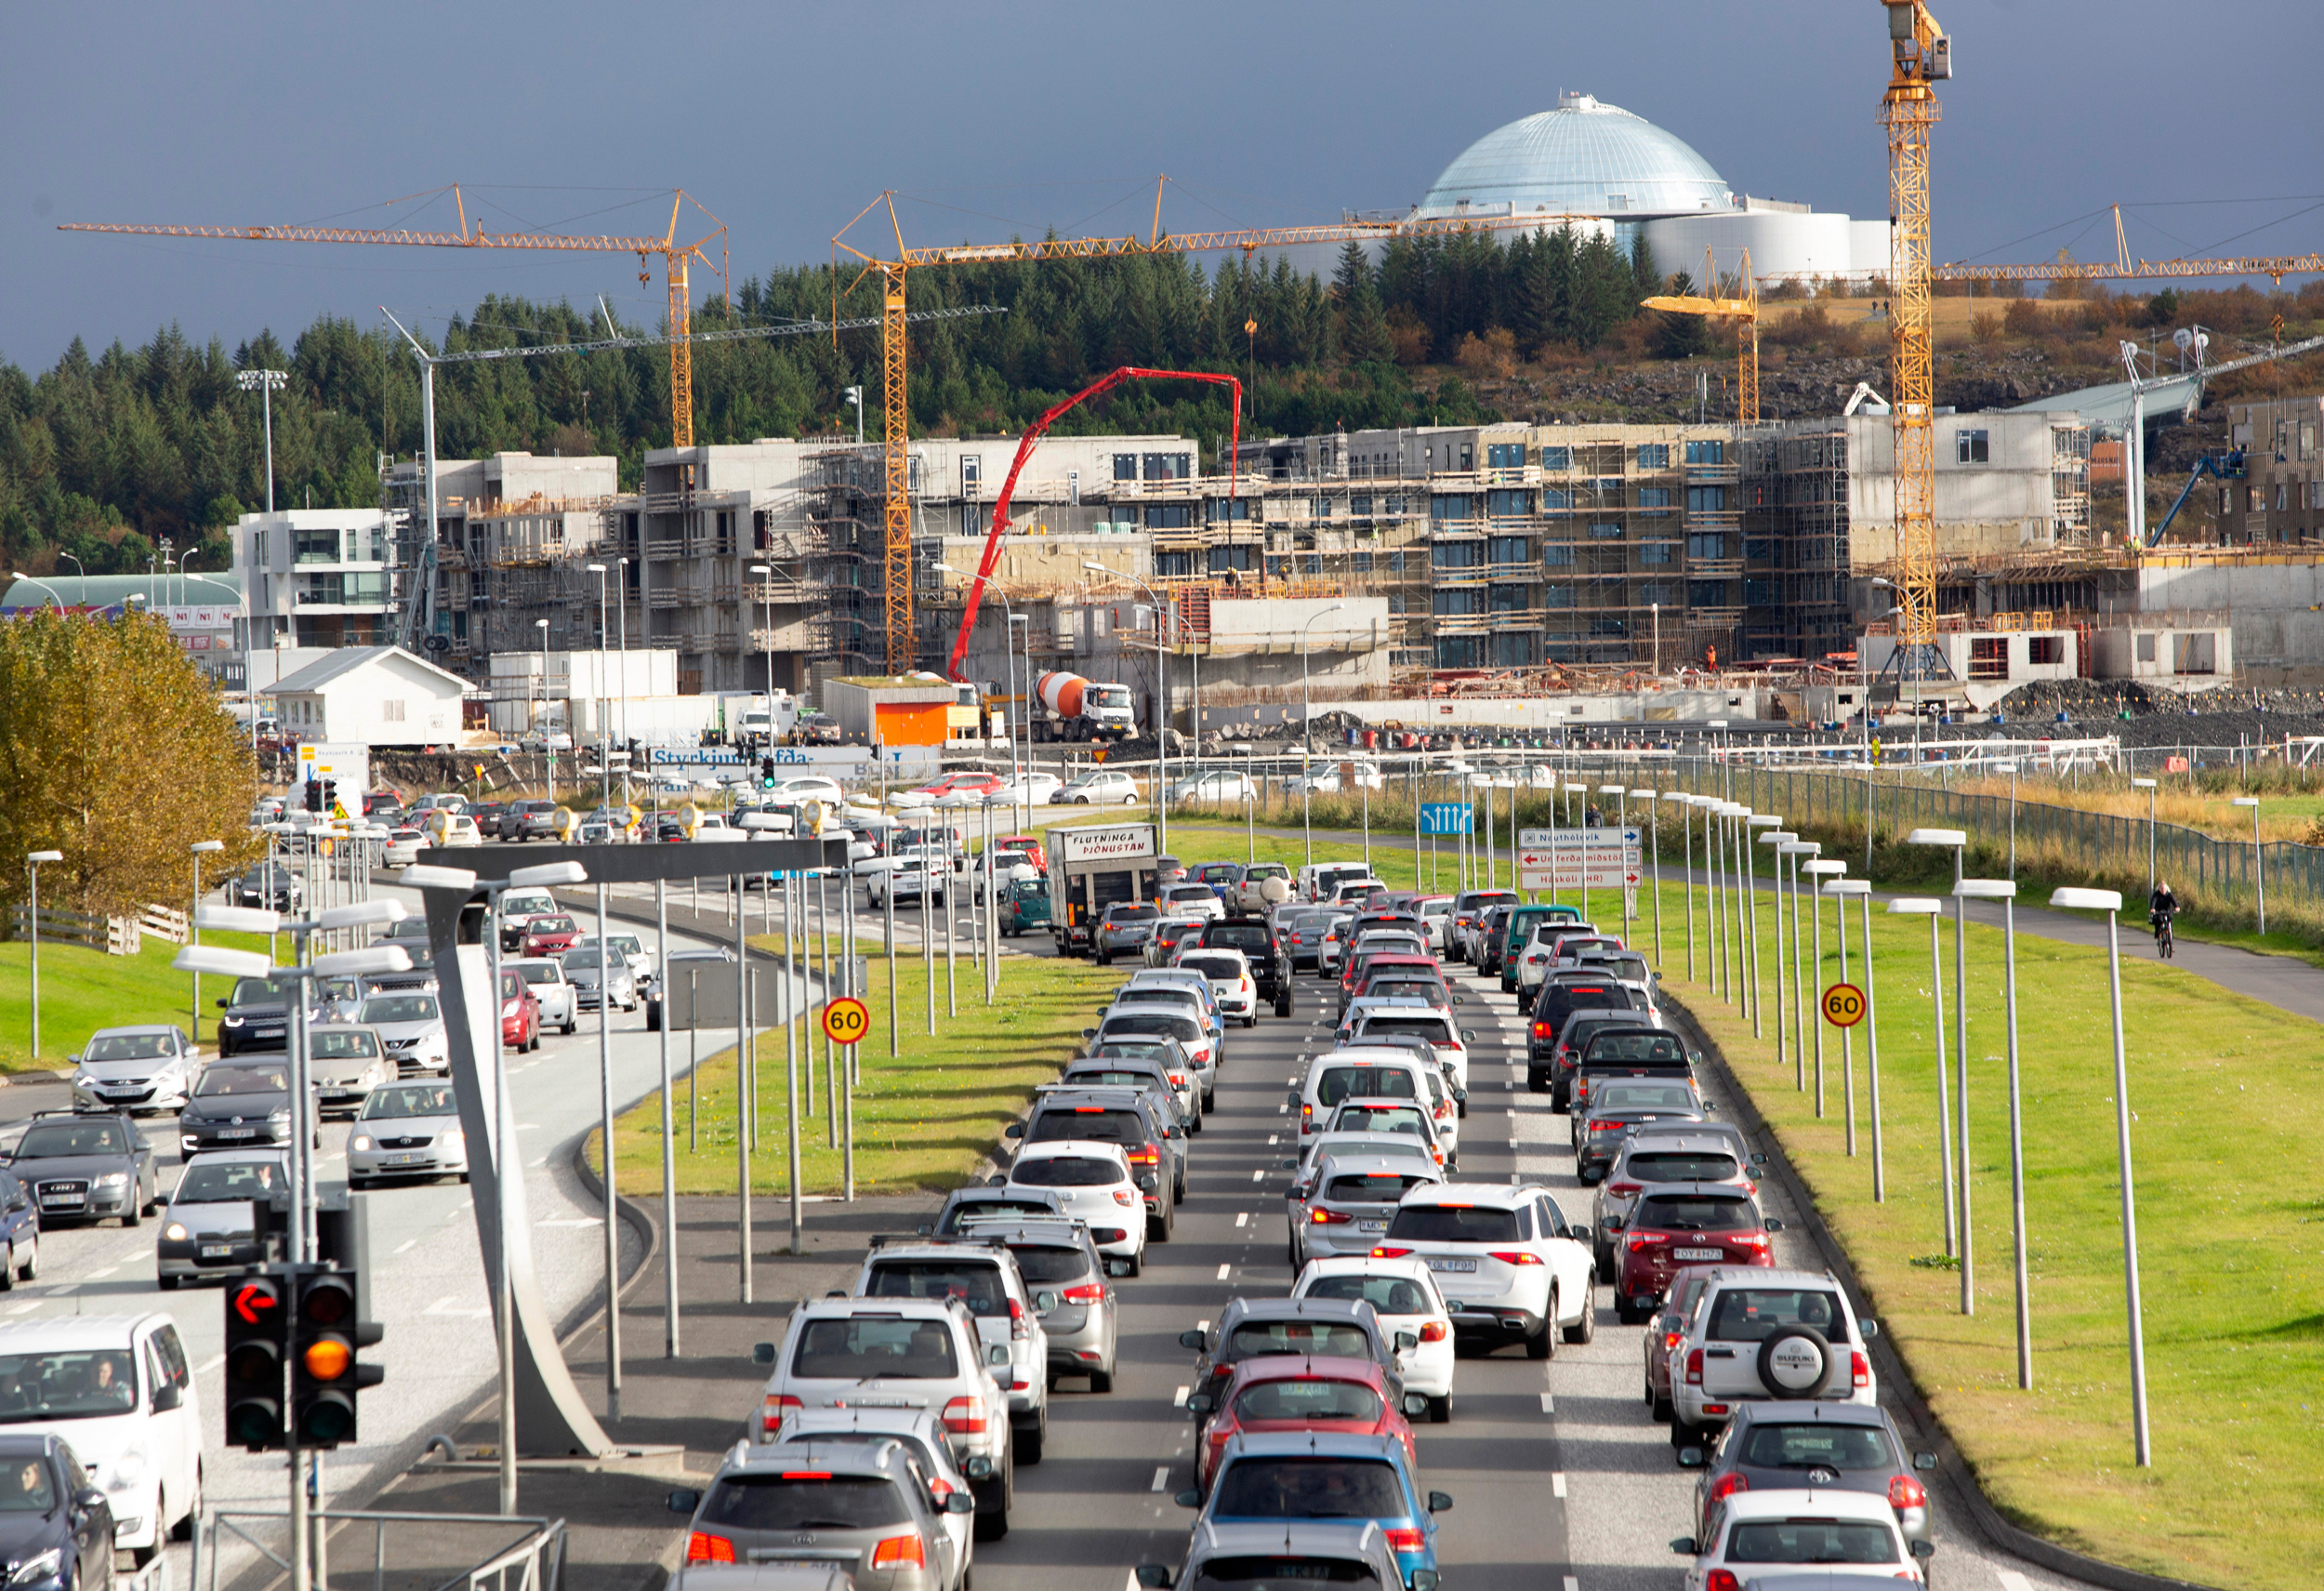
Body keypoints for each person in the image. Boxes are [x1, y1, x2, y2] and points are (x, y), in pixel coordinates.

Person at [2149, 880, 2179, 959]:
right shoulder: (2156, 895)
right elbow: (2153, 902)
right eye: (2161, 889)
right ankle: (2158, 934)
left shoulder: (2169, 895)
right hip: (2159, 911)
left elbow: (2174, 901)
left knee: (2170, 921)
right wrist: (2152, 908)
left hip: (2167, 911)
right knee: (2159, 920)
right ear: (2159, 889)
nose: (2163, 890)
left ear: (2167, 889)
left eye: (2164, 889)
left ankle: (2170, 940)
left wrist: (2176, 907)